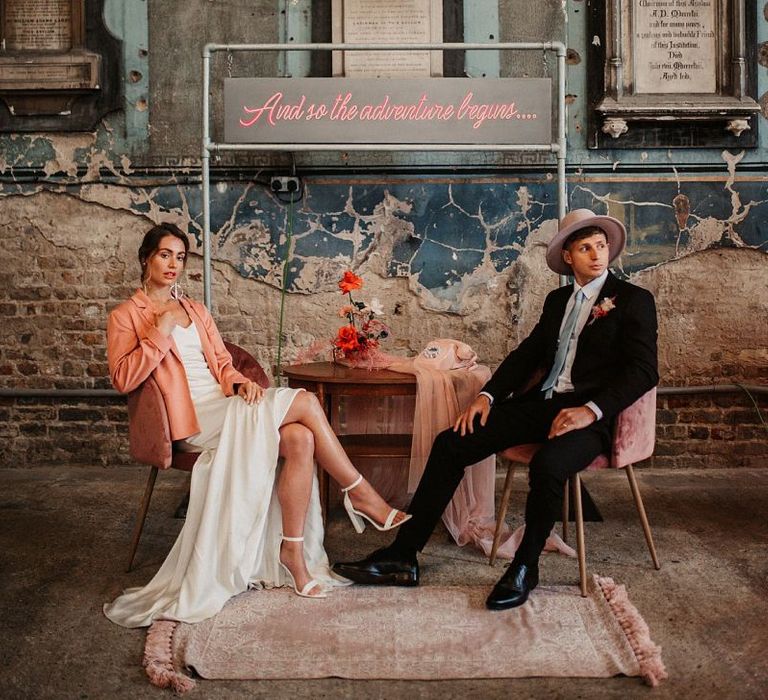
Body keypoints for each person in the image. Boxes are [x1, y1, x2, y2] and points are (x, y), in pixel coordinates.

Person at [333, 208, 659, 610]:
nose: (597, 255)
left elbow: (645, 371)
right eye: (586, 248)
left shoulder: (633, 301)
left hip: (591, 417)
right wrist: (486, 397)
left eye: (602, 246)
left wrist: (590, 411)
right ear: (569, 257)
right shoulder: (559, 300)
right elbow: (527, 356)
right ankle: (403, 554)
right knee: (452, 442)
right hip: (541, 405)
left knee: (548, 465)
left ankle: (525, 567)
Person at [104, 223, 410, 628]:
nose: (173, 264)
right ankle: (361, 493)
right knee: (303, 401)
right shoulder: (125, 315)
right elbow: (124, 379)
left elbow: (222, 363)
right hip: (191, 418)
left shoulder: (195, 309)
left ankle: (294, 556)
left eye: (180, 257)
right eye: (165, 255)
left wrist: (240, 382)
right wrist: (159, 334)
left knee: (300, 438)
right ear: (146, 257)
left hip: (223, 403)